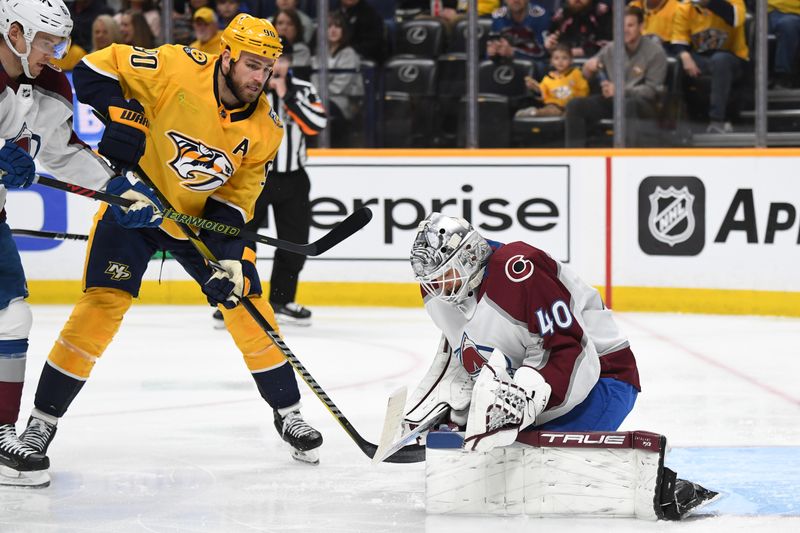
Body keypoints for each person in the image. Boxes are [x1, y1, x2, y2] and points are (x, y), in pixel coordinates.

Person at [18, 14, 325, 479]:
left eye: (267, 67)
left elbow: (236, 199)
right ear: (226, 56)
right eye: (251, 65)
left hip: (195, 223)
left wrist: (227, 258)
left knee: (247, 303)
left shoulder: (266, 127)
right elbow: (93, 70)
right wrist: (125, 115)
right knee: (101, 306)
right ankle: (41, 423)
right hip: (135, 206)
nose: (259, 77)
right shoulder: (176, 65)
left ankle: (289, 411)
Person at [402, 214, 715, 520]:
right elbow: (462, 348)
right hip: (535, 383)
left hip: (602, 378)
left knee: (526, 466)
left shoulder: (519, 270)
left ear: (470, 256)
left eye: (444, 275)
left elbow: (572, 352)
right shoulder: (439, 291)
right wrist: (442, 409)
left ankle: (661, 487)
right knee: (486, 454)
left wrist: (523, 403)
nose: (438, 287)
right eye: (431, 280)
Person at [0, 0, 118, 487]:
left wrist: (119, 189)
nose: (56, 52)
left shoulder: (48, 83)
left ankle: (2, 429)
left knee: (12, 315)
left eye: (59, 42)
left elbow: (64, 153)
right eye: (48, 41)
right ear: (15, 32)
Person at [213, 41, 327, 328]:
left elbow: (316, 125)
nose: (278, 66)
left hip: (294, 178)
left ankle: (281, 300)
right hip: (255, 174)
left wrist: (287, 97)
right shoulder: (248, 87)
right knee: (243, 236)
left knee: (294, 240)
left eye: (282, 59)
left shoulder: (302, 88)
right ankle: (234, 294)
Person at [565, 6, 666, 147]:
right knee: (575, 105)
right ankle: (575, 157)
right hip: (613, 100)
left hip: (642, 104)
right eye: (621, 26)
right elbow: (587, 73)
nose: (625, 30)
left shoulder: (656, 52)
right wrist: (588, 68)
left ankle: (626, 157)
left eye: (630, 25)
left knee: (628, 105)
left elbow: (651, 91)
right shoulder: (611, 48)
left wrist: (621, 90)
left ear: (641, 26)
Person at [671, 0, 748, 133]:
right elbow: (679, 39)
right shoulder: (685, 7)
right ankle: (676, 123)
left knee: (720, 60)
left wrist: (710, 3)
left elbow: (735, 19)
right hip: (702, 58)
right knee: (676, 62)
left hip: (733, 57)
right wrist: (684, 55)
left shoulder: (734, 2)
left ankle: (717, 120)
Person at [311, 12, 364, 147]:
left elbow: (340, 86)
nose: (333, 30)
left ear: (343, 31)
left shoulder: (349, 53)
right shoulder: (318, 54)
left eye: (337, 26)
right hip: (320, 100)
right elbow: (314, 81)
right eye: (329, 26)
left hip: (342, 102)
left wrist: (320, 94)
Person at [515, 42, 589, 117]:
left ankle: (535, 112)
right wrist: (535, 87)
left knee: (570, 113)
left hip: (572, 106)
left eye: (564, 58)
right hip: (554, 106)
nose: (560, 61)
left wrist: (576, 101)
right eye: (556, 58)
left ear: (571, 60)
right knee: (552, 110)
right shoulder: (547, 78)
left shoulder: (576, 73)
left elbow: (584, 90)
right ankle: (534, 112)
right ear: (551, 61)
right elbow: (543, 94)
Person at [488, 0, 550, 68]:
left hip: (533, 64)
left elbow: (543, 53)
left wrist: (513, 52)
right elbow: (491, 49)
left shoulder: (540, 15)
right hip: (505, 61)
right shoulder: (498, 17)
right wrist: (493, 52)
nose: (515, 0)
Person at [767, 0, 800, 89]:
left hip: (794, 13)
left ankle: (782, 76)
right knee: (750, 26)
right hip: (768, 12)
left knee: (788, 25)